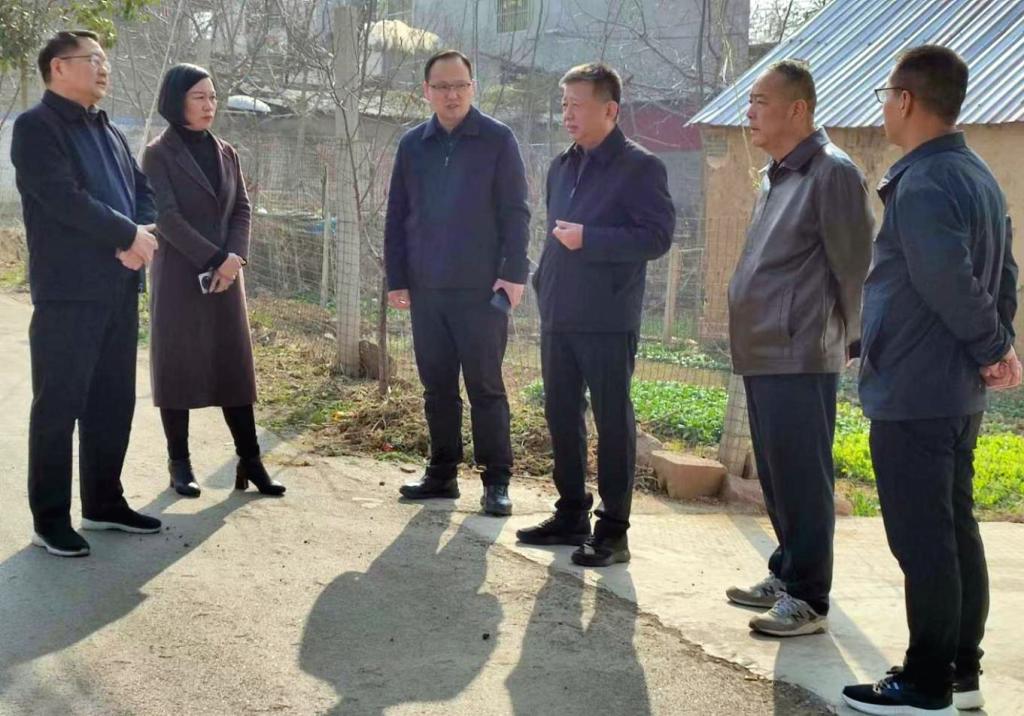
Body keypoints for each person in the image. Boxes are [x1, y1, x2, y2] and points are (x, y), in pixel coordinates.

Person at [843, 45, 1019, 716]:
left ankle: (925, 682)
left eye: (886, 95)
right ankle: (960, 669)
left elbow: (947, 279)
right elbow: (1003, 274)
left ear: (907, 100)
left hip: (917, 387)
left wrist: (991, 346)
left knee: (924, 540)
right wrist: (997, 346)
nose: (883, 108)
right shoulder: (977, 175)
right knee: (954, 528)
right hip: (954, 387)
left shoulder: (921, 183)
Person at [723, 60, 874, 637]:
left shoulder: (832, 173)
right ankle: (787, 572)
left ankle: (809, 597)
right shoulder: (778, 175)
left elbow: (854, 266)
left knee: (804, 478)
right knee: (778, 474)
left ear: (798, 109)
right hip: (763, 349)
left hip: (801, 350)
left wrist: (853, 338)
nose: (750, 113)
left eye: (760, 102)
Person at [515, 63, 675, 567]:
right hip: (559, 312)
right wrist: (543, 282)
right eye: (564, 104)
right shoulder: (561, 166)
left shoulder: (640, 167)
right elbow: (553, 233)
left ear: (610, 110)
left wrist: (591, 239)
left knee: (612, 422)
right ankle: (571, 514)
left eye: (577, 105)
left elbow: (657, 237)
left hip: (607, 316)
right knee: (561, 414)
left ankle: (613, 531)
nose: (567, 114)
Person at [11, 30, 163, 557]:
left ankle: (103, 503)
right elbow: (62, 198)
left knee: (112, 401)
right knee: (59, 404)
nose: (104, 68)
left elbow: (142, 191)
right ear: (58, 67)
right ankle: (49, 519)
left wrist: (141, 236)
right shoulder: (36, 127)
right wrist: (126, 235)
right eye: (92, 59)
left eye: (105, 60)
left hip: (120, 284)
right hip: (69, 290)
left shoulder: (108, 129)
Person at [384, 49, 530, 516]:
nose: (452, 95)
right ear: (426, 91)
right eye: (442, 87)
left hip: (481, 289)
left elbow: (516, 212)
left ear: (473, 87)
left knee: (486, 386)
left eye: (460, 86)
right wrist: (397, 277)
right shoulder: (413, 144)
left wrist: (514, 273)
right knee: (437, 386)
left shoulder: (497, 139)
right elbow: (397, 214)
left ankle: (496, 480)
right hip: (427, 287)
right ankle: (442, 473)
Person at [142, 64, 284, 498]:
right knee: (177, 366)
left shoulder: (226, 152)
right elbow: (166, 218)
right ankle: (179, 462)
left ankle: (251, 460)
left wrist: (234, 258)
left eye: (213, 97)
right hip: (180, 275)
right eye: (199, 97)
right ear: (177, 101)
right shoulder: (158, 154)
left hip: (226, 277)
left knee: (233, 365)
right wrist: (215, 257)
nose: (209, 105)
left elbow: (242, 207)